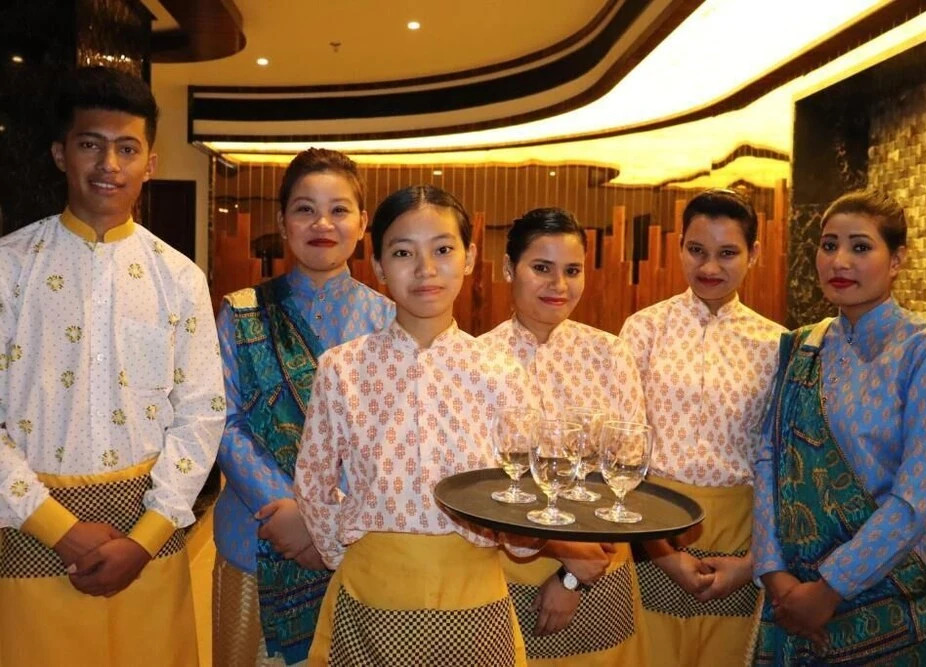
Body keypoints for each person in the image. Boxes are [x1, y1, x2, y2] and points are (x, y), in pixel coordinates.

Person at [0, 66, 224, 666]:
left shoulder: (178, 278)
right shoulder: (10, 268)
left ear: (151, 162)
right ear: (60, 153)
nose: (109, 164)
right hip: (29, 530)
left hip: (148, 540)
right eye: (90, 144)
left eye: (127, 148)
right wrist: (58, 528)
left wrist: (146, 538)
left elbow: (202, 413)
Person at [295, 185, 539, 666]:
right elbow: (314, 479)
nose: (426, 269)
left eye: (443, 250)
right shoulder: (342, 368)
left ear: (470, 258)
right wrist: (348, 554)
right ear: (379, 266)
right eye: (403, 253)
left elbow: (526, 484)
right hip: (371, 591)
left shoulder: (503, 370)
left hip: (473, 593)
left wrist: (522, 538)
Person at [752, 189, 926, 664]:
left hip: (883, 604)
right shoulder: (801, 347)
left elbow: (916, 501)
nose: (840, 261)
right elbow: (770, 459)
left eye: (860, 246)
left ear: (896, 260)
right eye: (829, 245)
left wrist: (829, 589)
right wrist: (775, 575)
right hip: (790, 602)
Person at [212, 148, 394, 665]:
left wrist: (324, 519)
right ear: (282, 222)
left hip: (358, 542)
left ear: (362, 223)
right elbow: (223, 421)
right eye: (305, 209)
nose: (322, 223)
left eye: (339, 210)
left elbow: (393, 438)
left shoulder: (389, 322)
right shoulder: (242, 313)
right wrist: (289, 511)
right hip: (257, 533)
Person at [619, 188, 785, 666]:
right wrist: (664, 554)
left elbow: (780, 462)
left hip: (740, 538)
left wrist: (754, 563)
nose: (709, 267)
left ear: (754, 253)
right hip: (653, 531)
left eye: (727, 253)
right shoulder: (643, 330)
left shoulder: (777, 344)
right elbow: (623, 450)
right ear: (679, 248)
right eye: (696, 250)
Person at [480, 207, 648, 666]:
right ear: (508, 268)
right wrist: (561, 553)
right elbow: (477, 486)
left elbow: (626, 474)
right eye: (542, 268)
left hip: (600, 568)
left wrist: (575, 576)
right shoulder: (476, 360)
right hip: (508, 569)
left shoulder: (610, 353)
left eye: (572, 271)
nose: (559, 285)